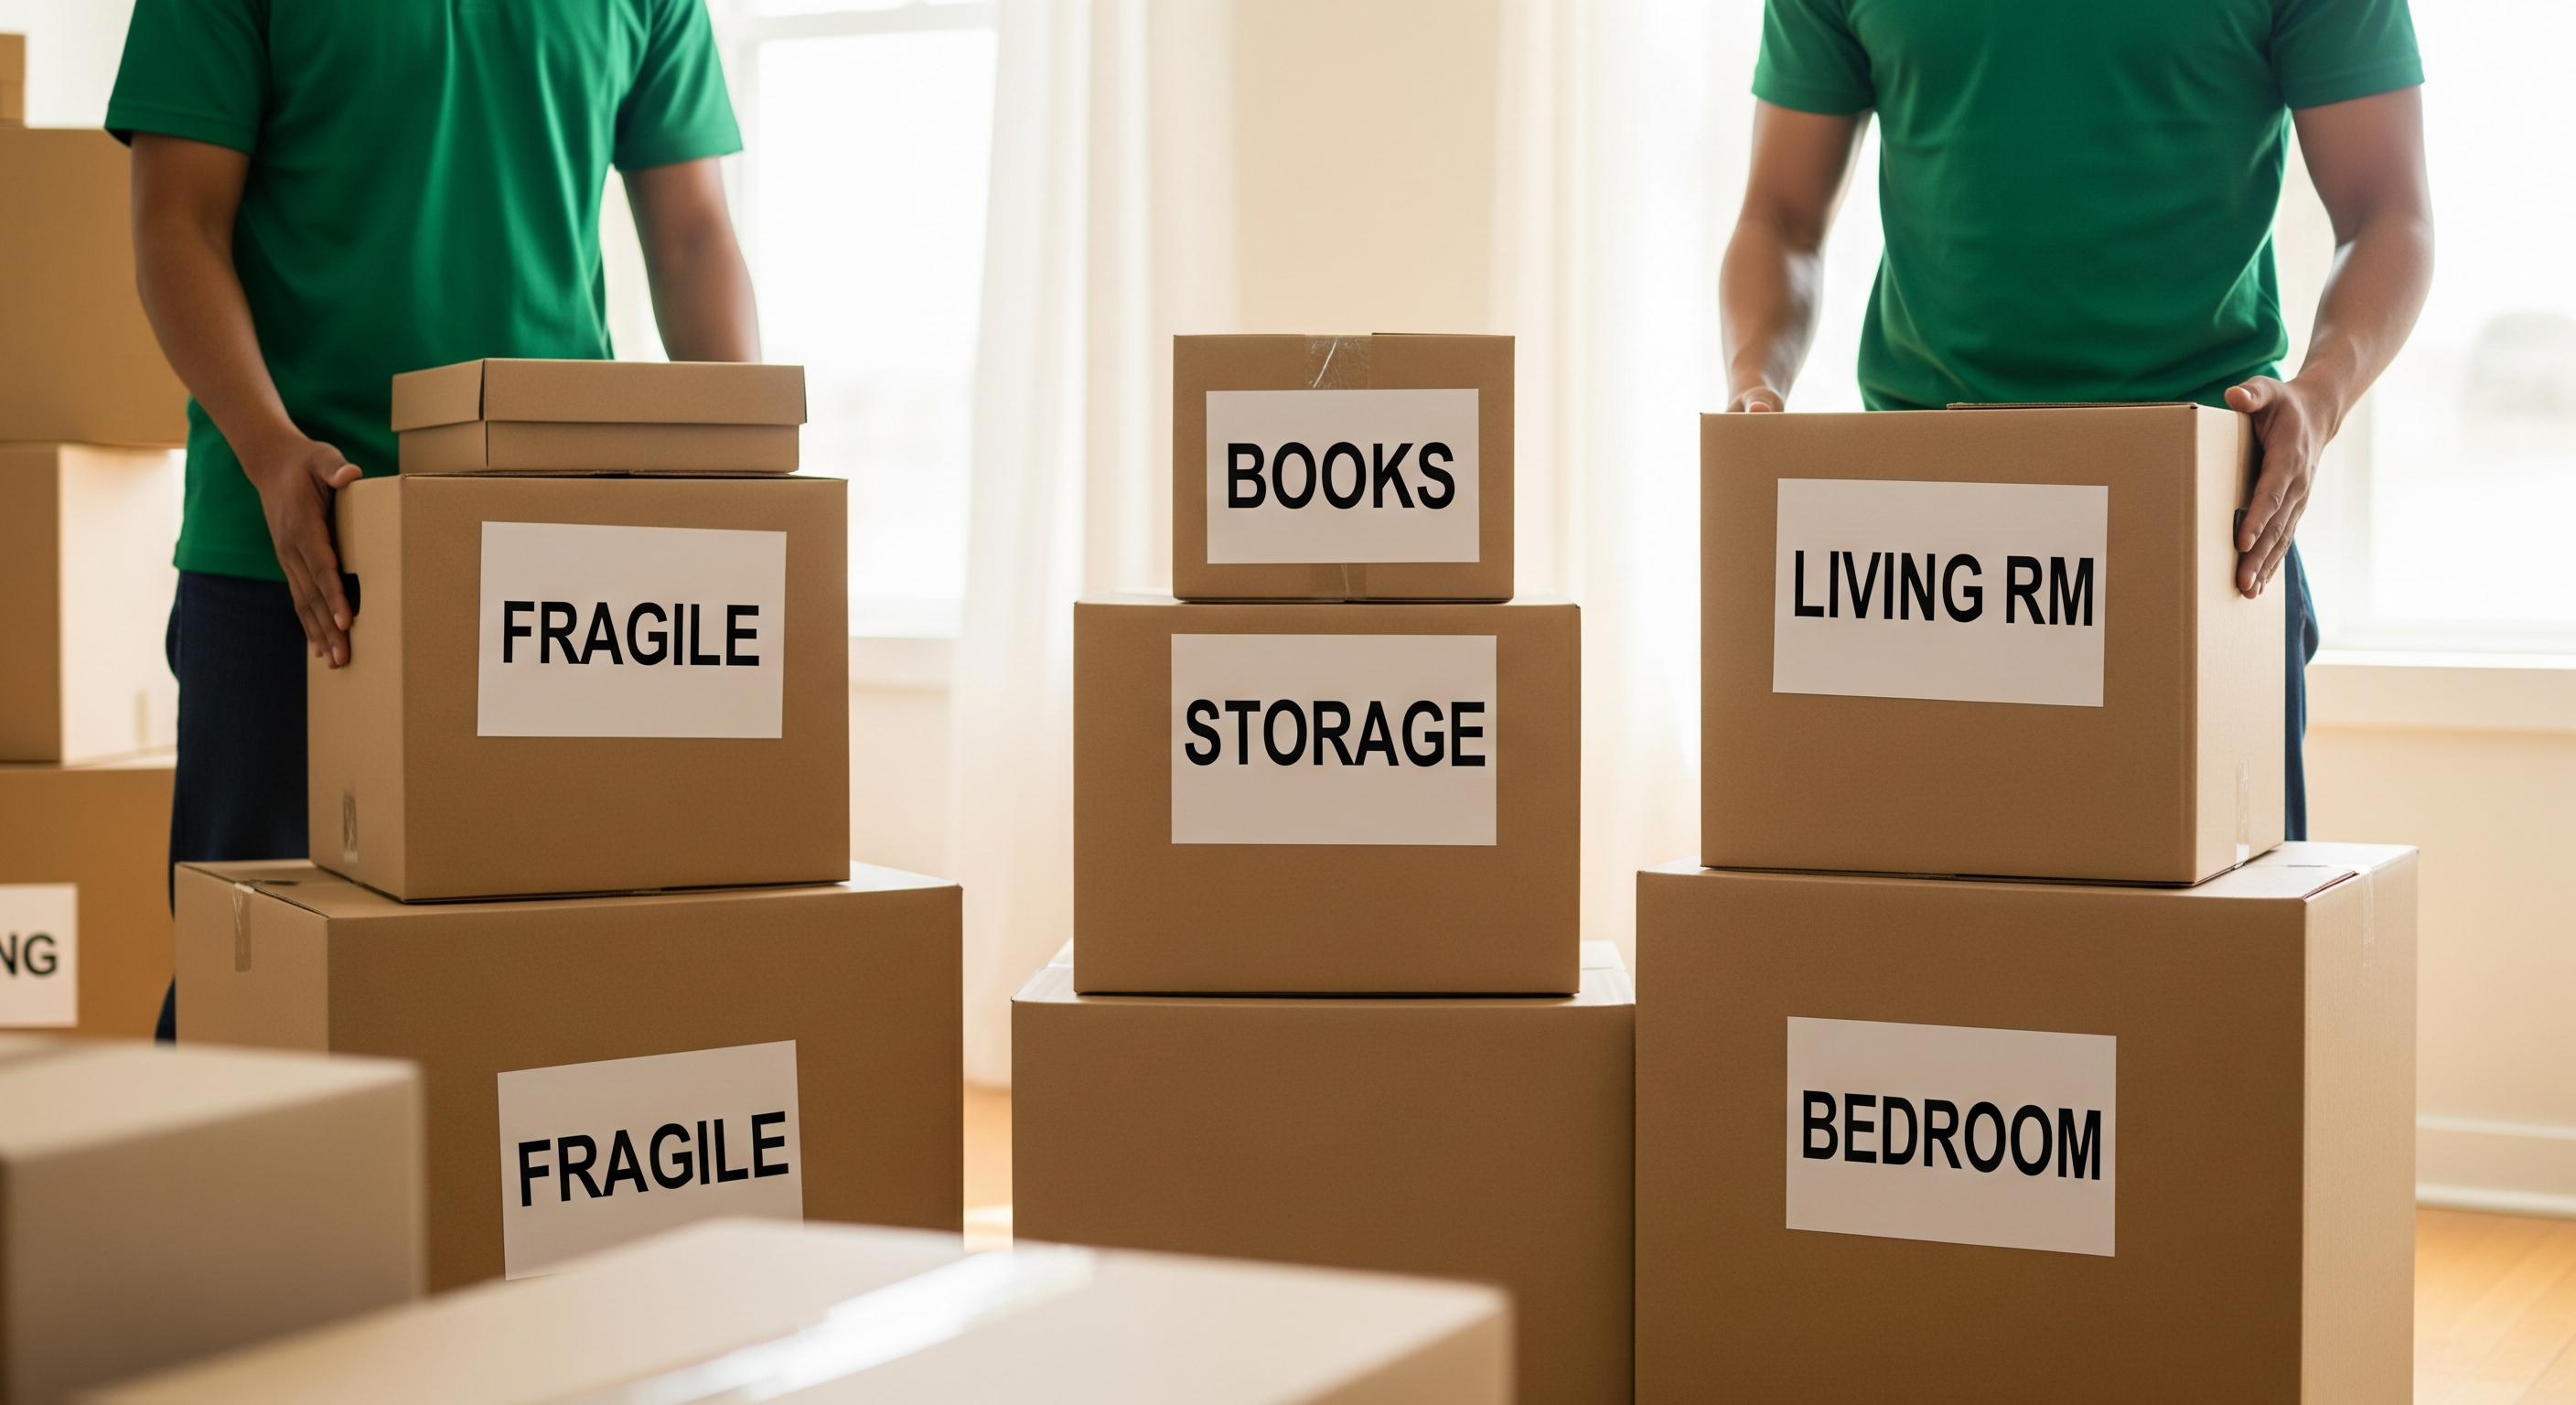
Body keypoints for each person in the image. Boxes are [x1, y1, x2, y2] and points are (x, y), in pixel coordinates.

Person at [109, 0, 763, 1038]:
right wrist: (272, 445)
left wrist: (748, 491)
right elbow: (177, 224)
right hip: (291, 547)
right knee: (251, 977)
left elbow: (689, 238)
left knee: (524, 973)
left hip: (551, 561)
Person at [1720, 0, 2433, 842]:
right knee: (1918, 942)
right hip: (1917, 537)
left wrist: (2319, 398)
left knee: (2212, 958)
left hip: (2197, 525)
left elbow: (2389, 213)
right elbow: (1780, 217)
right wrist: (1753, 386)